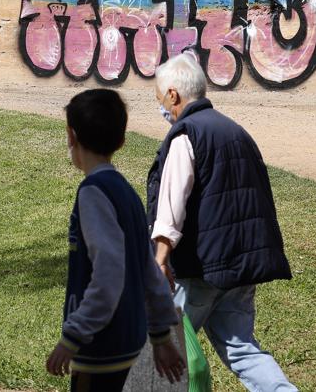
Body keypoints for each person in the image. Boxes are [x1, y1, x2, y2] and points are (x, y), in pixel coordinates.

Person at [147, 52, 296, 392]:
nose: (162, 108)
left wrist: (159, 260)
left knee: (161, 351)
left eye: (160, 99)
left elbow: (172, 205)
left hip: (202, 270)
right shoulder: (236, 131)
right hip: (241, 268)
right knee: (241, 348)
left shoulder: (186, 136)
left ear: (173, 94)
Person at [46, 89, 186, 392]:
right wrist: (161, 335)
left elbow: (108, 274)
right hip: (125, 342)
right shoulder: (126, 191)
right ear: (121, 141)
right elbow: (148, 269)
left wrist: (74, 335)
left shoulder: (93, 192)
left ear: (71, 136)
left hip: (98, 346)